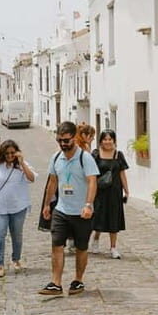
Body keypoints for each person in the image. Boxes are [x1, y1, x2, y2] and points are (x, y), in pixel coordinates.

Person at [40, 121, 99, 296]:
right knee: (56, 245)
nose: (63, 144)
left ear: (74, 138)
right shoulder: (56, 157)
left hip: (81, 211)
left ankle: (78, 280)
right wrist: (47, 204)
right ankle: (56, 283)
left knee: (81, 247)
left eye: (66, 140)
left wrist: (88, 205)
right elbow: (52, 181)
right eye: (60, 140)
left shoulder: (85, 158)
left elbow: (92, 181)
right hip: (61, 210)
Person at [0, 140, 36, 278]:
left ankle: (16, 259)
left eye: (13, 153)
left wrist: (22, 163)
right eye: (7, 153)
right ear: (2, 154)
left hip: (19, 207)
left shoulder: (22, 166)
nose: (10, 156)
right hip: (0, 206)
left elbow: (32, 178)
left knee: (17, 235)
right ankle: (0, 265)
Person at [89, 130, 130, 259]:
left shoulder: (119, 155)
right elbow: (91, 174)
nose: (107, 141)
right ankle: (96, 238)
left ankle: (113, 247)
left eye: (110, 139)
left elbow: (122, 173)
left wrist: (126, 190)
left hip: (114, 191)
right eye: (105, 139)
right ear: (101, 141)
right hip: (99, 191)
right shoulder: (95, 154)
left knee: (114, 219)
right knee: (99, 217)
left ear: (114, 140)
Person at [67, 123, 95, 252]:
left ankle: (73, 240)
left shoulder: (77, 146)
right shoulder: (82, 148)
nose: (93, 139)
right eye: (91, 136)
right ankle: (75, 240)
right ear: (84, 135)